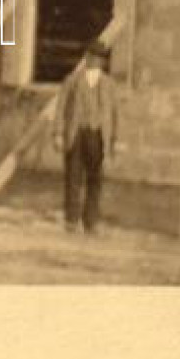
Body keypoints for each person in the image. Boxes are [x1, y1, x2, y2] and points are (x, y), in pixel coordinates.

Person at [56, 38, 118, 235]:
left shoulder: (109, 85)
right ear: (87, 58)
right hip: (76, 133)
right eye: (92, 57)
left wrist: (115, 141)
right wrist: (58, 133)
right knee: (73, 177)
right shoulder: (72, 81)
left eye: (100, 58)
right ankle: (71, 220)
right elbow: (60, 109)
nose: (96, 61)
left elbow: (114, 114)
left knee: (95, 179)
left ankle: (91, 222)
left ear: (104, 62)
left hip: (98, 136)